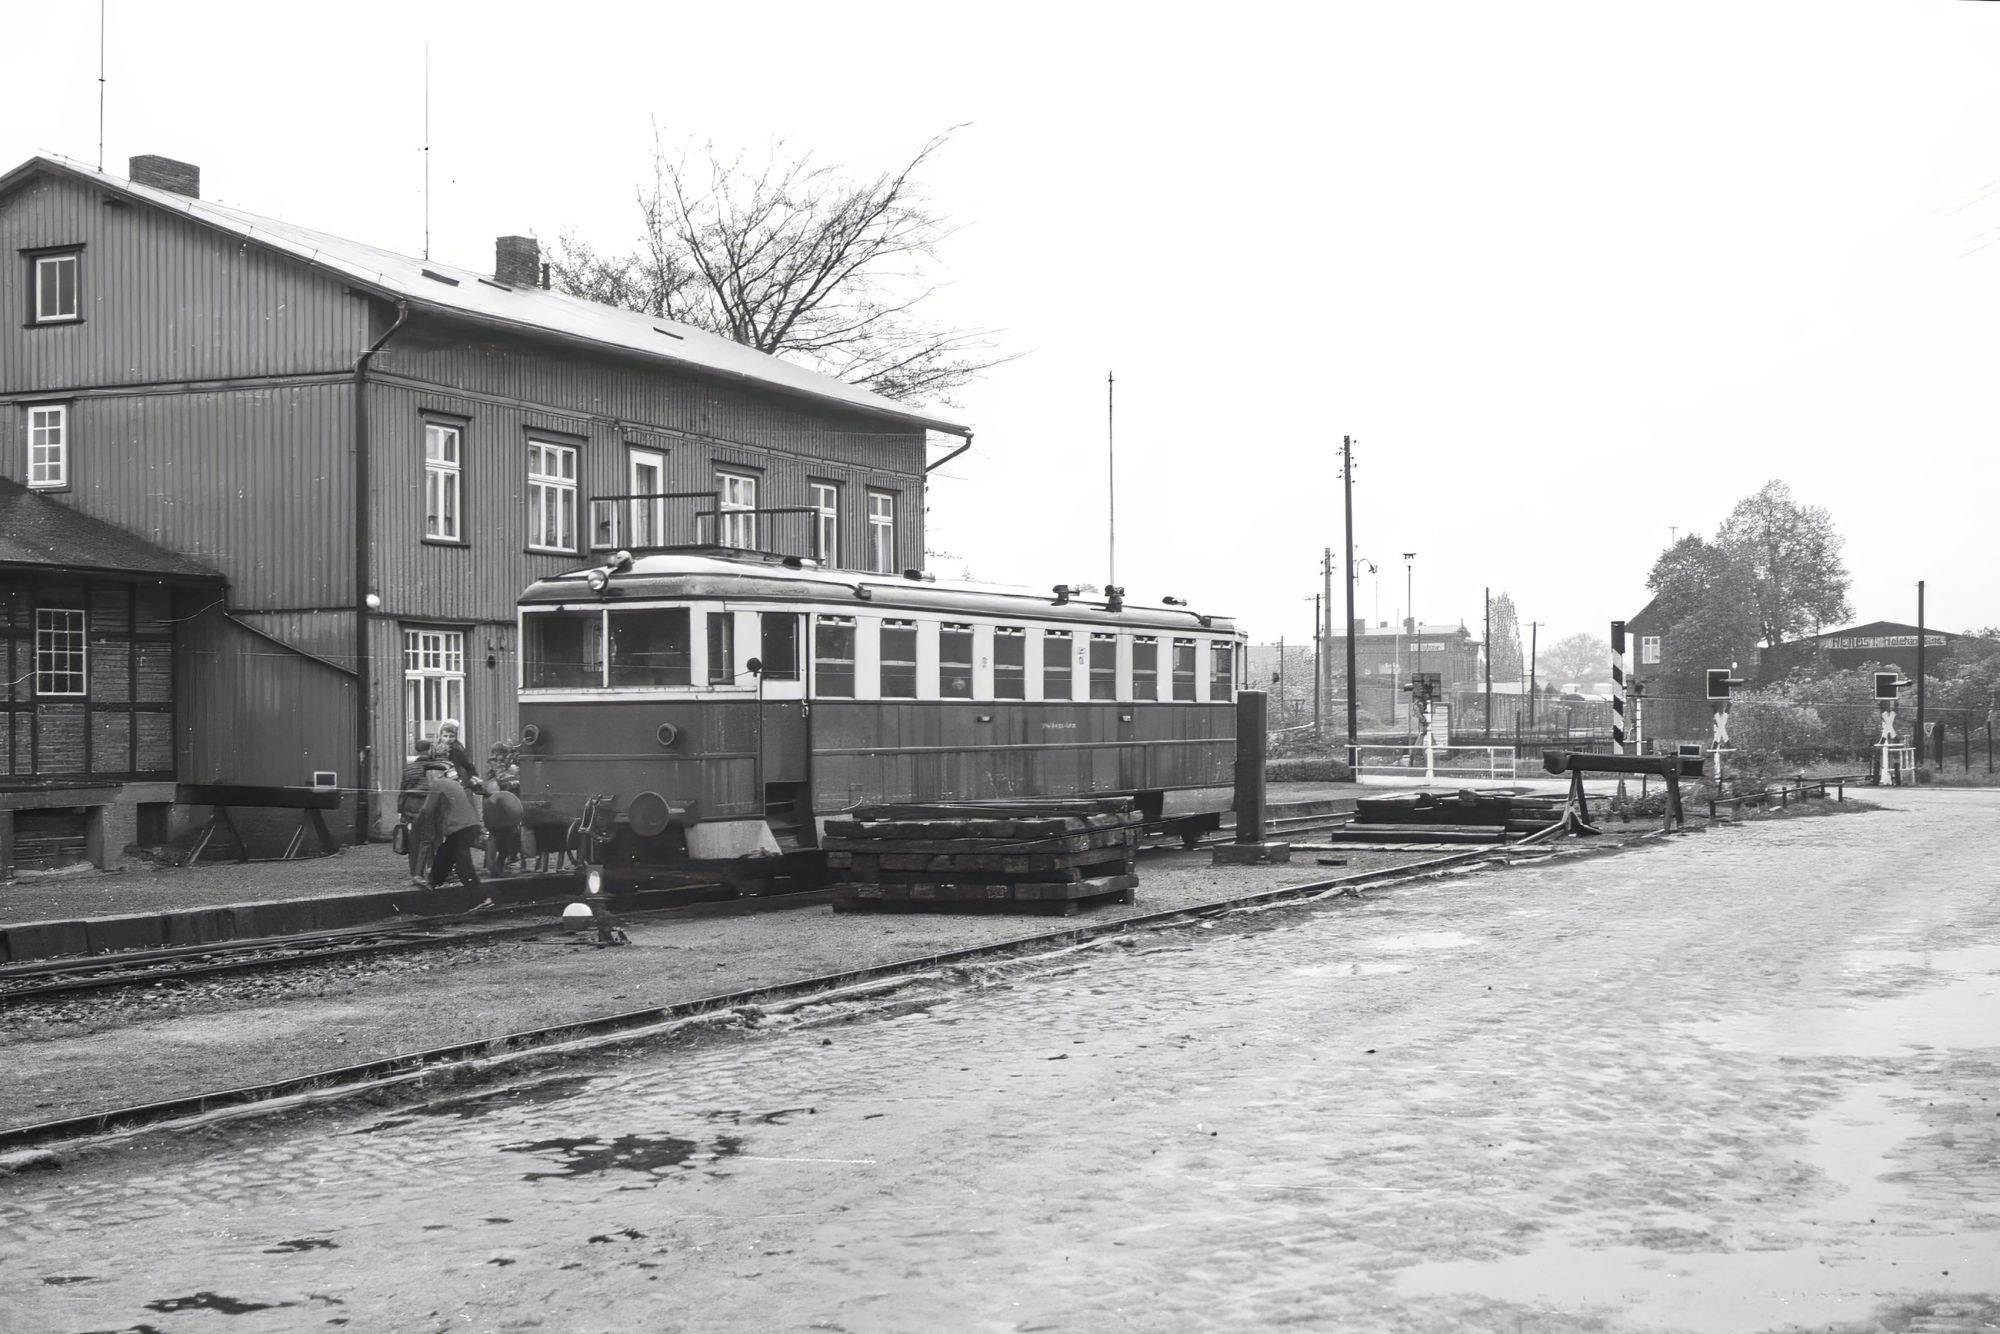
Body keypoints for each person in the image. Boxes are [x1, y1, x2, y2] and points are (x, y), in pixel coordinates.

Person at [418, 758, 484, 892]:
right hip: (469, 825)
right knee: (451, 857)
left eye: (426, 776)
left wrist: (416, 824)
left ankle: (481, 897)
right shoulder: (453, 783)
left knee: (458, 862)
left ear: (431, 774)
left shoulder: (437, 783)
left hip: (460, 827)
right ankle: (433, 884)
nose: (426, 780)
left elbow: (427, 810)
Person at [483, 771, 526, 876]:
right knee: (504, 847)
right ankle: (499, 865)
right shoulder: (507, 796)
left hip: (497, 824)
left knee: (495, 844)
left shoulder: (494, 796)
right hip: (506, 824)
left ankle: (493, 866)